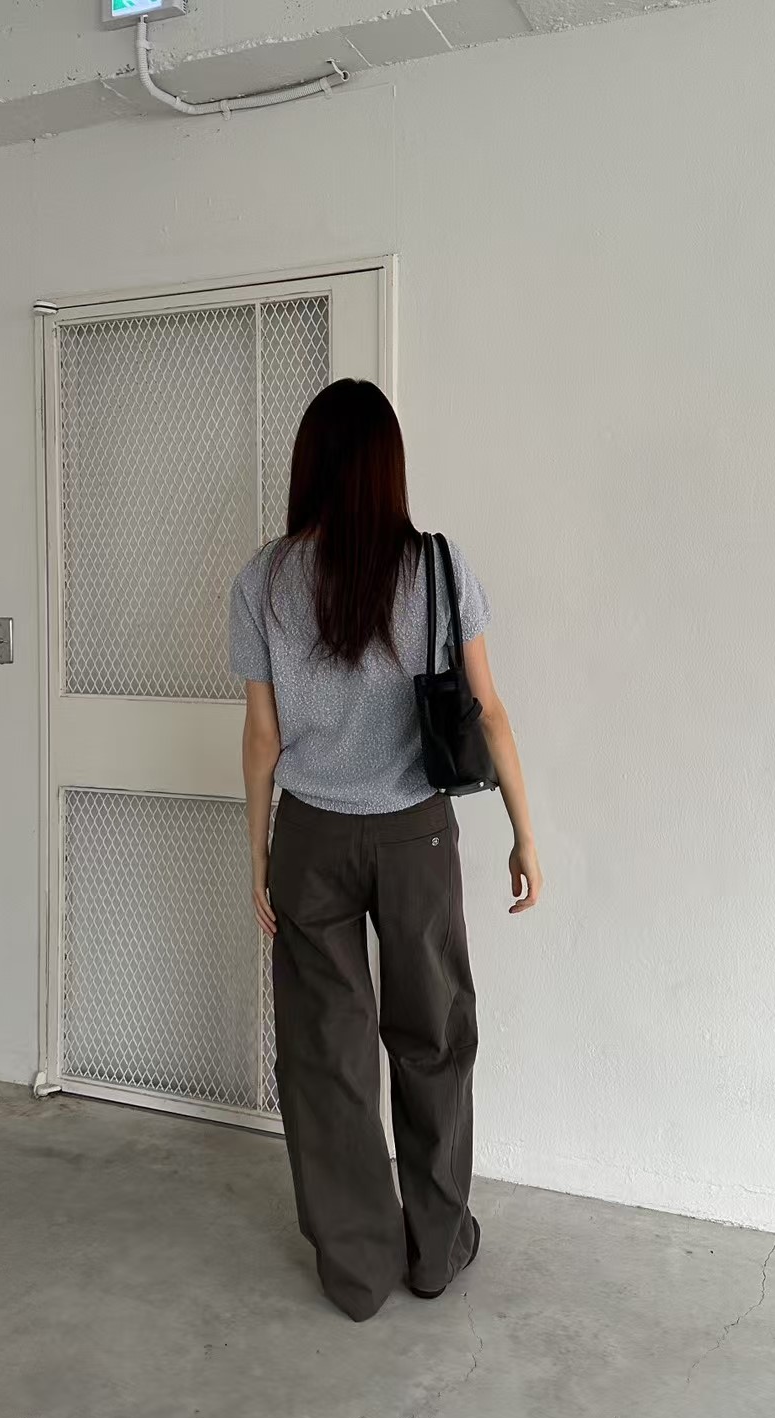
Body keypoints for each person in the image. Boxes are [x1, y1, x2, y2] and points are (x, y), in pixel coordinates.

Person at [229, 378, 542, 1322]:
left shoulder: (263, 579)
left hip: (312, 838)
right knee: (434, 1038)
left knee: (325, 1055)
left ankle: (358, 1272)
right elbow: (488, 711)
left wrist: (258, 851)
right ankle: (436, 1250)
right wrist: (525, 831)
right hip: (417, 836)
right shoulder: (439, 567)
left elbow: (261, 736)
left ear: (309, 466)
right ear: (389, 468)